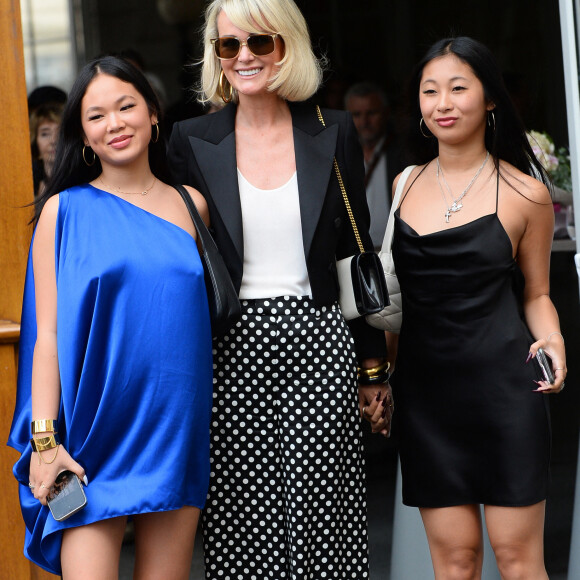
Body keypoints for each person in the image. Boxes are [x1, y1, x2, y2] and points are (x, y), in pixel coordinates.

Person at [167, 1, 391, 578]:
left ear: (286, 45)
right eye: (228, 45)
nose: (243, 57)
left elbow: (353, 252)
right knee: (242, 529)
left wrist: (372, 370)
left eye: (259, 43)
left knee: (326, 526)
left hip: (319, 342)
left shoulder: (332, 129)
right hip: (231, 349)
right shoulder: (190, 140)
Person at [8, 56, 213, 579]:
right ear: (84, 135)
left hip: (172, 429)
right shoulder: (63, 212)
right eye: (97, 115)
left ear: (153, 115)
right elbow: (46, 337)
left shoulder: (192, 207)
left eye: (126, 106)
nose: (115, 123)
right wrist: (46, 445)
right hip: (85, 438)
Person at [388, 37, 567, 579]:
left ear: (490, 98)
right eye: (430, 91)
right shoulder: (404, 183)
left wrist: (555, 341)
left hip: (505, 392)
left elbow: (536, 293)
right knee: (455, 561)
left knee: (516, 560)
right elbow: (395, 295)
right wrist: (381, 376)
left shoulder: (526, 193)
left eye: (458, 88)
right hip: (426, 396)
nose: (443, 102)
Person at [345, 82, 399, 249]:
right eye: (356, 114)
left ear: (386, 113)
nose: (364, 121)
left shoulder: (404, 154)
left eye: (372, 113)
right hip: (357, 254)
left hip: (395, 252)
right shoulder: (340, 155)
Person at [29, 103, 63, 197]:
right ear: (35, 143)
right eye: (45, 134)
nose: (53, 141)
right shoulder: (28, 184)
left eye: (59, 133)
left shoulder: (84, 182)